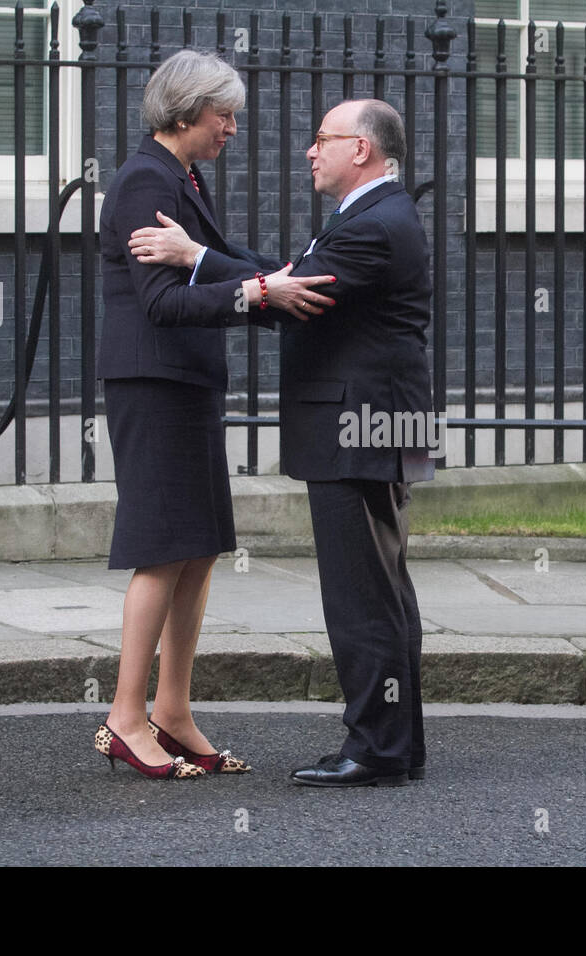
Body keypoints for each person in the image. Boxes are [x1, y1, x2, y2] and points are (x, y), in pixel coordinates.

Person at [130, 99, 433, 787]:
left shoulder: (373, 225)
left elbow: (296, 294)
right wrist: (209, 258)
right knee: (382, 592)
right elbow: (284, 276)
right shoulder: (375, 216)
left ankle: (377, 751)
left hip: (358, 427)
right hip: (379, 424)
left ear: (361, 149)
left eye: (322, 139)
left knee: (362, 596)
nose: (310, 152)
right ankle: (395, 745)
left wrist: (194, 256)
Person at [94, 49, 336, 780]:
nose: (233, 126)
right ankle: (124, 717)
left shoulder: (183, 178)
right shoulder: (144, 181)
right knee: (161, 547)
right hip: (153, 383)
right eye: (223, 113)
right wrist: (259, 293)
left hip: (188, 384)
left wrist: (277, 280)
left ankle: (172, 709)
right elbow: (163, 304)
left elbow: (219, 257)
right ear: (184, 111)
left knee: (197, 547)